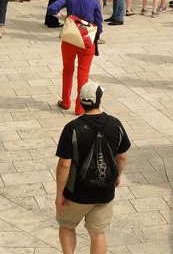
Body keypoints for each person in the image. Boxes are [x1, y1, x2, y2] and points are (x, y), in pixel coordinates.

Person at [55, 81, 130, 254]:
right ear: (100, 100)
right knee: (97, 234)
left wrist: (59, 194)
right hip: (104, 193)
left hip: (76, 194)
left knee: (67, 226)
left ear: (81, 102)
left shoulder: (72, 128)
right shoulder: (115, 124)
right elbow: (123, 155)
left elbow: (64, 165)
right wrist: (117, 176)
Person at [48, 0, 103, 114]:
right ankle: (80, 107)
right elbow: (99, 23)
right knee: (83, 73)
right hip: (86, 41)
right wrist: (96, 35)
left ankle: (66, 101)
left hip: (70, 39)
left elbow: (52, 8)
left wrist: (65, 18)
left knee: (67, 70)